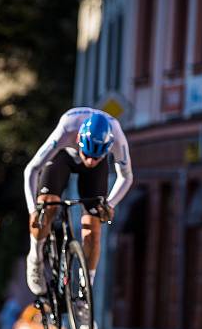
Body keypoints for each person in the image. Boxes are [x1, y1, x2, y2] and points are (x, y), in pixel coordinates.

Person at [23, 108, 133, 297]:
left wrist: (110, 204)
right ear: (79, 140)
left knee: (93, 228)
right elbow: (31, 170)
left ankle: (85, 292)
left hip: (94, 176)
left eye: (97, 157)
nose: (90, 161)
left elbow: (127, 177)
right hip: (63, 158)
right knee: (47, 206)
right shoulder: (67, 127)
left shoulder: (117, 136)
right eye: (87, 154)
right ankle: (36, 257)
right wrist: (33, 209)